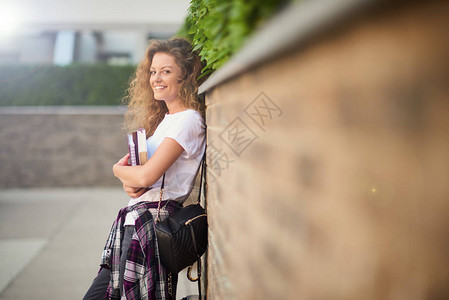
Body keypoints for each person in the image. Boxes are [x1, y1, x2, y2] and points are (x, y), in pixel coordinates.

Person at [83, 37, 206, 300]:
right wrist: (130, 179)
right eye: (153, 71)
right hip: (135, 222)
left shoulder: (188, 121)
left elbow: (146, 175)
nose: (156, 78)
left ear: (184, 75)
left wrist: (117, 170)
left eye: (166, 71)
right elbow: (138, 181)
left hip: (151, 225)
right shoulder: (167, 120)